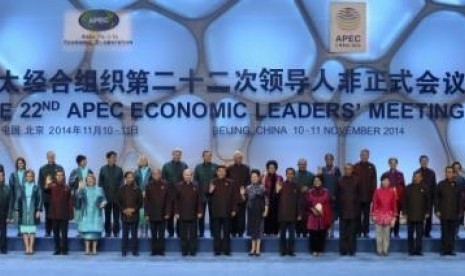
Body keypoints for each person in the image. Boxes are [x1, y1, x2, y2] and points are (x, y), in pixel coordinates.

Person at [209, 165, 238, 256]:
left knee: (226, 232)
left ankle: (226, 250)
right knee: (216, 233)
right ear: (217, 172)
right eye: (219, 171)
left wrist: (234, 209)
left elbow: (234, 197)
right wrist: (210, 191)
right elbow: (208, 196)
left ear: (225, 173)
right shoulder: (213, 182)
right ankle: (217, 250)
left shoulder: (231, 183)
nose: (221, 173)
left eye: (223, 171)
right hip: (216, 211)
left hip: (227, 211)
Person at [76, 174, 107, 255]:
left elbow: (104, 199)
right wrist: (79, 189)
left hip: (96, 213)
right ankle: (87, 249)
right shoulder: (83, 190)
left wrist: (103, 203)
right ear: (86, 181)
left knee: (95, 232)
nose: (90, 180)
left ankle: (94, 249)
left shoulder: (99, 189)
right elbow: (78, 199)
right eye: (88, 179)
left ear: (94, 180)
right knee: (87, 232)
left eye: (91, 179)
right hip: (86, 213)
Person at [174, 169, 203, 256]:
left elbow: (199, 200)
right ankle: (184, 250)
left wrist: (200, 211)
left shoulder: (196, 185)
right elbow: (175, 201)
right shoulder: (178, 186)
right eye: (186, 175)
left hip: (193, 213)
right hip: (182, 213)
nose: (188, 176)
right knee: (183, 234)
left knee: (193, 234)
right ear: (183, 176)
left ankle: (193, 250)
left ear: (192, 176)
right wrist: (176, 212)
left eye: (189, 175)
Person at [435, 166, 463, 256]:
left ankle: (451, 250)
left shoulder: (457, 185)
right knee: (444, 232)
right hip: (443, 212)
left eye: (450, 172)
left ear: (453, 173)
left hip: (454, 213)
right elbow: (436, 199)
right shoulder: (440, 184)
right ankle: (443, 250)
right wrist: (437, 210)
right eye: (447, 172)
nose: (448, 173)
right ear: (445, 173)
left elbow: (460, 200)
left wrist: (460, 211)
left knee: (452, 233)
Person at [402, 171, 430, 256]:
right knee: (410, 234)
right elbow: (404, 201)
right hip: (410, 214)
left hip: (421, 215)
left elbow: (428, 202)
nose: (416, 178)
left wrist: (427, 212)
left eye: (418, 177)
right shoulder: (408, 187)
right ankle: (411, 250)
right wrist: (405, 212)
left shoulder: (425, 188)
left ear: (421, 178)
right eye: (415, 176)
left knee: (419, 234)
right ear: (413, 177)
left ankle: (418, 250)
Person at [45, 170, 73, 255]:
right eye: (58, 175)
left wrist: (70, 214)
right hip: (54, 214)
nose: (60, 177)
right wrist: (47, 182)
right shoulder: (52, 186)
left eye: (61, 175)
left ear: (64, 176)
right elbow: (45, 189)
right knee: (55, 233)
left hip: (64, 214)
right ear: (56, 177)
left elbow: (69, 201)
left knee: (64, 233)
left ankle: (64, 250)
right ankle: (57, 249)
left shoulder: (67, 187)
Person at [162, 148, 188, 238]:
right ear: (172, 155)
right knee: (169, 213)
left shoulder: (184, 165)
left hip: (182, 194)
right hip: (169, 194)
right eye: (175, 154)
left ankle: (179, 232)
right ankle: (170, 232)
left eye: (179, 154)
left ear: (181, 156)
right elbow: (163, 180)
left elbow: (186, 179)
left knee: (180, 213)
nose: (177, 156)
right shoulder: (166, 166)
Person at [242, 169, 268, 256]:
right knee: (252, 229)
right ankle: (252, 249)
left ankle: (258, 249)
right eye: (252, 177)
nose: (254, 178)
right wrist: (242, 194)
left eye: (255, 177)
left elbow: (266, 200)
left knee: (259, 229)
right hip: (251, 210)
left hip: (259, 210)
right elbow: (244, 200)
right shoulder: (248, 188)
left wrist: (266, 210)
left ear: (258, 177)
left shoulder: (262, 187)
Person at [144, 168, 170, 256]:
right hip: (152, 213)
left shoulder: (166, 185)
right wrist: (146, 214)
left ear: (160, 174)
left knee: (162, 234)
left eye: (157, 174)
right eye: (154, 174)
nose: (156, 175)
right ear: (152, 175)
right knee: (154, 234)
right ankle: (154, 250)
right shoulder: (148, 185)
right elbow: (146, 201)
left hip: (163, 213)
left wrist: (167, 212)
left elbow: (168, 200)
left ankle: (161, 250)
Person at [15, 170, 42, 255]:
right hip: (24, 209)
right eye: (28, 176)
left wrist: (38, 210)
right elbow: (18, 199)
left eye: (31, 176)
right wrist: (17, 210)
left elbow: (40, 199)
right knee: (25, 230)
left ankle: (31, 247)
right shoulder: (22, 187)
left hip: (33, 209)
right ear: (25, 177)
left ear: (33, 177)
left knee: (32, 230)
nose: (29, 177)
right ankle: (27, 248)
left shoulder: (36, 187)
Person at [38, 151, 64, 237]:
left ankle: (57, 232)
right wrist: (45, 187)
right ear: (47, 157)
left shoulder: (60, 168)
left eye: (52, 156)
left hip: (58, 195)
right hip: (47, 196)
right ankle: (48, 231)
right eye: (49, 156)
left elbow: (63, 181)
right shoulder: (42, 168)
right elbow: (40, 184)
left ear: (55, 157)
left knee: (58, 215)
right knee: (48, 215)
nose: (51, 157)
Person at [118, 171, 143, 257]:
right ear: (125, 178)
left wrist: (133, 210)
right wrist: (124, 210)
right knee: (124, 234)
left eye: (132, 177)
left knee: (134, 234)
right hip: (124, 214)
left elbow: (140, 202)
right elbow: (118, 202)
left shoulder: (137, 189)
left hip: (134, 215)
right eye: (128, 177)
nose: (130, 179)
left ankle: (135, 251)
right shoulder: (121, 189)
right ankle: (123, 251)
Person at [276, 167, 300, 256]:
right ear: (285, 174)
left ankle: (291, 251)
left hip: (293, 214)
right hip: (282, 213)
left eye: (291, 173)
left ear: (294, 175)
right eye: (288, 173)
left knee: (292, 235)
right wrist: (277, 191)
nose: (289, 175)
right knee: (282, 235)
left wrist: (299, 213)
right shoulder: (281, 184)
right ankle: (283, 251)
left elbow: (299, 201)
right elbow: (276, 199)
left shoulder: (297, 186)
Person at [99, 151, 123, 238]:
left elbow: (121, 184)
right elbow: (100, 184)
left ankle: (116, 232)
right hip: (106, 197)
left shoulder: (119, 169)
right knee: (107, 216)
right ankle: (107, 232)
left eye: (115, 157)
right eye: (113, 157)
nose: (114, 159)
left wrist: (119, 196)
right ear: (108, 158)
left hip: (116, 197)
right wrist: (103, 197)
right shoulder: (103, 169)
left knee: (117, 217)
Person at [337, 164, 360, 256]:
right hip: (343, 210)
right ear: (344, 170)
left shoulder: (357, 180)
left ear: (352, 170)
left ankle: (352, 250)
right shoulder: (340, 180)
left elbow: (359, 196)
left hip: (354, 210)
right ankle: (343, 250)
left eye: (349, 169)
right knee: (343, 232)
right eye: (346, 169)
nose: (347, 170)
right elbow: (338, 196)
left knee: (352, 233)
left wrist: (357, 210)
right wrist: (339, 210)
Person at [353, 149, 377, 238]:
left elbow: (374, 182)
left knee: (366, 215)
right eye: (362, 154)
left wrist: (373, 195)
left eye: (366, 155)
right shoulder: (355, 166)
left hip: (368, 195)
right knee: (357, 214)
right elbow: (353, 181)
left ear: (368, 156)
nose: (364, 156)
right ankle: (358, 231)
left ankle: (366, 231)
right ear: (360, 155)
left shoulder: (372, 167)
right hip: (358, 196)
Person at [306, 175, 332, 257]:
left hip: (322, 215)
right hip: (312, 215)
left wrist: (321, 209)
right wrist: (313, 210)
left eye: (318, 180)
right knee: (313, 234)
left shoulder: (326, 191)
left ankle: (320, 249)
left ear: (321, 182)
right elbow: (307, 203)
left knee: (321, 233)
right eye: (315, 180)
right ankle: (313, 250)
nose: (317, 182)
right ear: (313, 182)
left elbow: (327, 201)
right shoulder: (309, 191)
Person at [194, 150, 217, 238]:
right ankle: (201, 232)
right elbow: (195, 180)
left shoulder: (215, 166)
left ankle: (213, 232)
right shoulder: (198, 167)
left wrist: (214, 187)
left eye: (209, 156)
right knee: (201, 215)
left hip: (213, 195)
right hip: (201, 195)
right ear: (203, 157)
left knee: (213, 215)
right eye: (206, 156)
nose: (208, 157)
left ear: (211, 157)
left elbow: (218, 180)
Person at [226, 151, 250, 238]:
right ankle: (232, 231)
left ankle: (240, 231)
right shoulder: (229, 168)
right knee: (232, 213)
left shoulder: (246, 168)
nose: (238, 159)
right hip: (231, 195)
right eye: (236, 157)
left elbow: (248, 181)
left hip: (242, 194)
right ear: (233, 158)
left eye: (240, 157)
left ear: (242, 158)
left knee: (242, 214)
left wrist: (245, 191)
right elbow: (226, 180)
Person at [372, 176, 397, 256]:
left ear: (389, 182)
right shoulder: (377, 191)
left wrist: (394, 217)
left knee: (386, 234)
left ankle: (385, 250)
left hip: (388, 215)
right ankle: (379, 250)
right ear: (381, 182)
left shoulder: (392, 192)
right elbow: (374, 204)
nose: (386, 182)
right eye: (384, 181)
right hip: (379, 215)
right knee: (379, 234)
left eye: (387, 181)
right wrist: (374, 215)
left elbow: (394, 205)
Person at [380, 157, 405, 238]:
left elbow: (403, 187)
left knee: (396, 216)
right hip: (388, 200)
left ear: (396, 164)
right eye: (391, 163)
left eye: (394, 163)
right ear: (389, 164)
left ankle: (396, 232)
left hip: (397, 200)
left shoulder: (400, 174)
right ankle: (388, 232)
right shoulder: (385, 174)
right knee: (388, 216)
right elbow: (382, 187)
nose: (393, 164)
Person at [413, 155, 436, 238]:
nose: (424, 162)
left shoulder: (432, 173)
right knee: (420, 216)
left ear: (428, 162)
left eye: (425, 161)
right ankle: (420, 232)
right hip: (419, 198)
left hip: (429, 198)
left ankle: (427, 232)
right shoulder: (416, 172)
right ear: (420, 162)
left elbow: (434, 186)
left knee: (429, 216)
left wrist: (434, 199)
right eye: (422, 161)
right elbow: (414, 185)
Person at [320, 154, 342, 238]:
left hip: (334, 196)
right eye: (327, 159)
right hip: (324, 197)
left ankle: (332, 232)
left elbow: (340, 183)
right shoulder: (322, 169)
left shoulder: (336, 169)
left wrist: (336, 194)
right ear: (325, 160)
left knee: (332, 216)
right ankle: (325, 232)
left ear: (333, 160)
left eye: (330, 159)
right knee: (324, 215)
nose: (329, 161)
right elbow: (319, 182)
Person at [69, 155, 93, 226]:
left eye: (86, 160)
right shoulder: (75, 171)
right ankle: (79, 229)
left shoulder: (89, 170)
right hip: (78, 194)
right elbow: (70, 182)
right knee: (78, 212)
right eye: (84, 160)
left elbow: (93, 181)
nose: (86, 162)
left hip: (88, 194)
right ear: (79, 162)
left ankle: (87, 228)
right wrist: (76, 179)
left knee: (88, 212)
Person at [294, 158, 314, 238]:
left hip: (307, 199)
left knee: (306, 217)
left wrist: (308, 188)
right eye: (301, 164)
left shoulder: (311, 175)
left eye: (304, 164)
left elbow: (315, 185)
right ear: (298, 165)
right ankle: (298, 232)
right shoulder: (294, 174)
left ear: (306, 165)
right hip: (296, 199)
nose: (302, 166)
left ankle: (306, 233)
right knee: (297, 216)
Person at [263, 160, 283, 236]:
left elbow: (281, 189)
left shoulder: (279, 177)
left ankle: (275, 232)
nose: (271, 169)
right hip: (266, 199)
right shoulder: (264, 177)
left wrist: (278, 190)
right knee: (266, 216)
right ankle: (267, 232)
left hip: (276, 200)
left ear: (276, 168)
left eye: (273, 168)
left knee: (275, 216)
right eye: (270, 167)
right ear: (267, 168)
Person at [9, 157, 26, 237]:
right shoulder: (13, 174)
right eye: (19, 163)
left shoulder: (27, 173)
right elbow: (11, 187)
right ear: (17, 164)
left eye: (22, 163)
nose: (20, 165)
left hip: (26, 198)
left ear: (24, 164)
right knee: (18, 215)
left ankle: (25, 230)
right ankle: (20, 230)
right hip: (16, 197)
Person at [134, 155, 151, 238]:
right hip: (139, 195)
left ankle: (147, 230)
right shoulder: (136, 172)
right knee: (140, 213)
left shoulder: (151, 171)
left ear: (147, 161)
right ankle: (141, 230)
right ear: (139, 162)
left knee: (147, 212)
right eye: (142, 160)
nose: (143, 161)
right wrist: (140, 192)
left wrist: (146, 191)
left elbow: (152, 183)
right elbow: (134, 183)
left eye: (145, 160)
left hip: (149, 195)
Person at [0, 171, 14, 254]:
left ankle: (3, 248)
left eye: (1, 176)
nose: (0, 177)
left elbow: (11, 202)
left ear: (4, 177)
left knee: (3, 231)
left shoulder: (8, 188)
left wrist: (9, 215)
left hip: (4, 214)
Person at [451, 161, 465, 237]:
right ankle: (451, 234)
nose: (456, 169)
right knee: (451, 219)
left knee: (459, 219)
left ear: (460, 169)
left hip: (460, 202)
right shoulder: (450, 178)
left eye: (458, 168)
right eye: (455, 168)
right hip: (451, 202)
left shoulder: (462, 179)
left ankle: (456, 233)